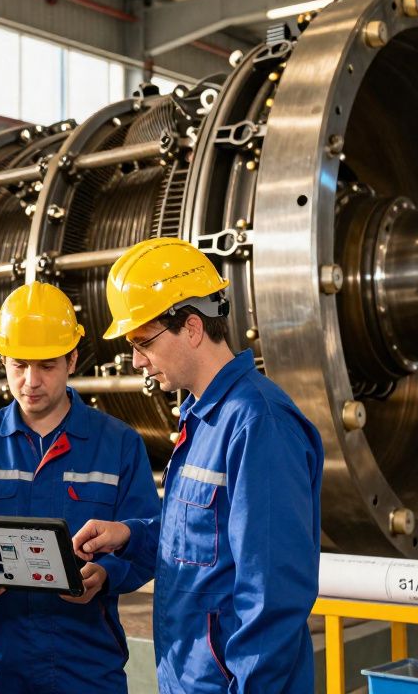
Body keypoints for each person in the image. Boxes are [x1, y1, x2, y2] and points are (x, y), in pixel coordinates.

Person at [72, 238, 324, 693]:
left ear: (191, 327)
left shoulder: (258, 424)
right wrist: (130, 536)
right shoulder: (202, 417)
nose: (137, 361)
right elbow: (202, 543)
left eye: (142, 342)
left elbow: (273, 595)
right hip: (188, 679)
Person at [0, 281, 160, 693]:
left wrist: (106, 574)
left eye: (47, 366)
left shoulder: (119, 444)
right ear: (3, 360)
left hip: (88, 660)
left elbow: (150, 536)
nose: (30, 381)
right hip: (0, 660)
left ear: (72, 359)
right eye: (19, 365)